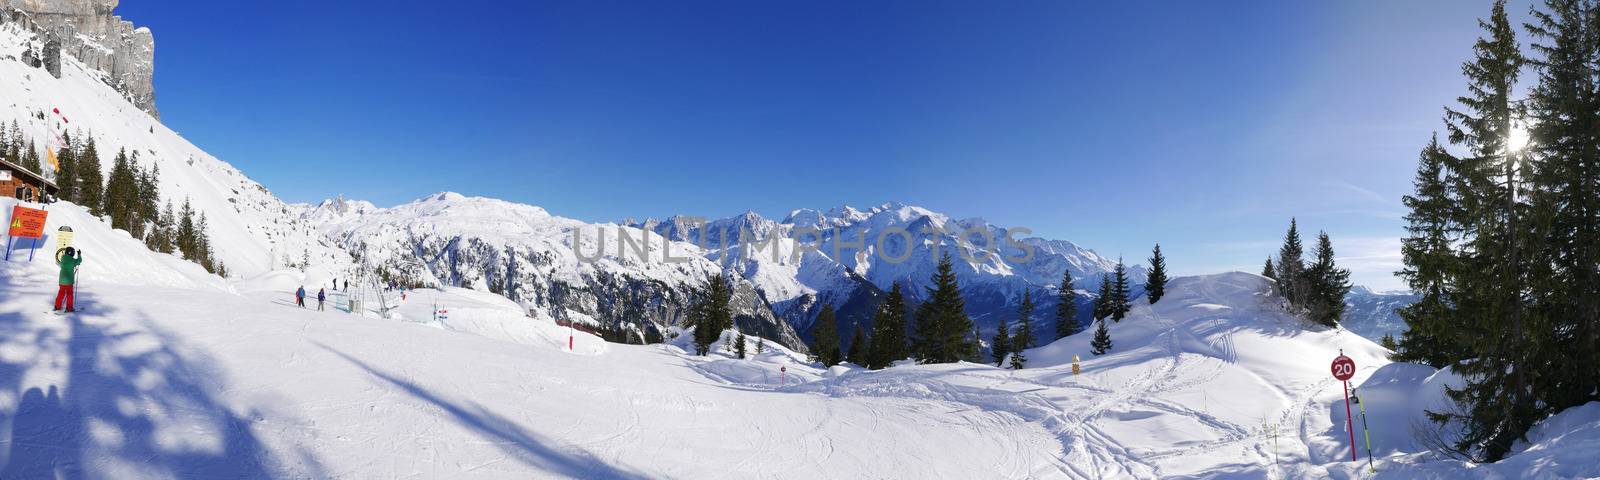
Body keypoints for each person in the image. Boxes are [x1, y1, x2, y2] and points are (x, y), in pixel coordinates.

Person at [54, 247, 82, 312]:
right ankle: (69, 308)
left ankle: (57, 306)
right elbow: (79, 261)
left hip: (61, 280)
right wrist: (79, 255)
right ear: (72, 253)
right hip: (69, 281)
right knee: (69, 294)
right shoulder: (72, 260)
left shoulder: (63, 258)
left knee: (61, 293)